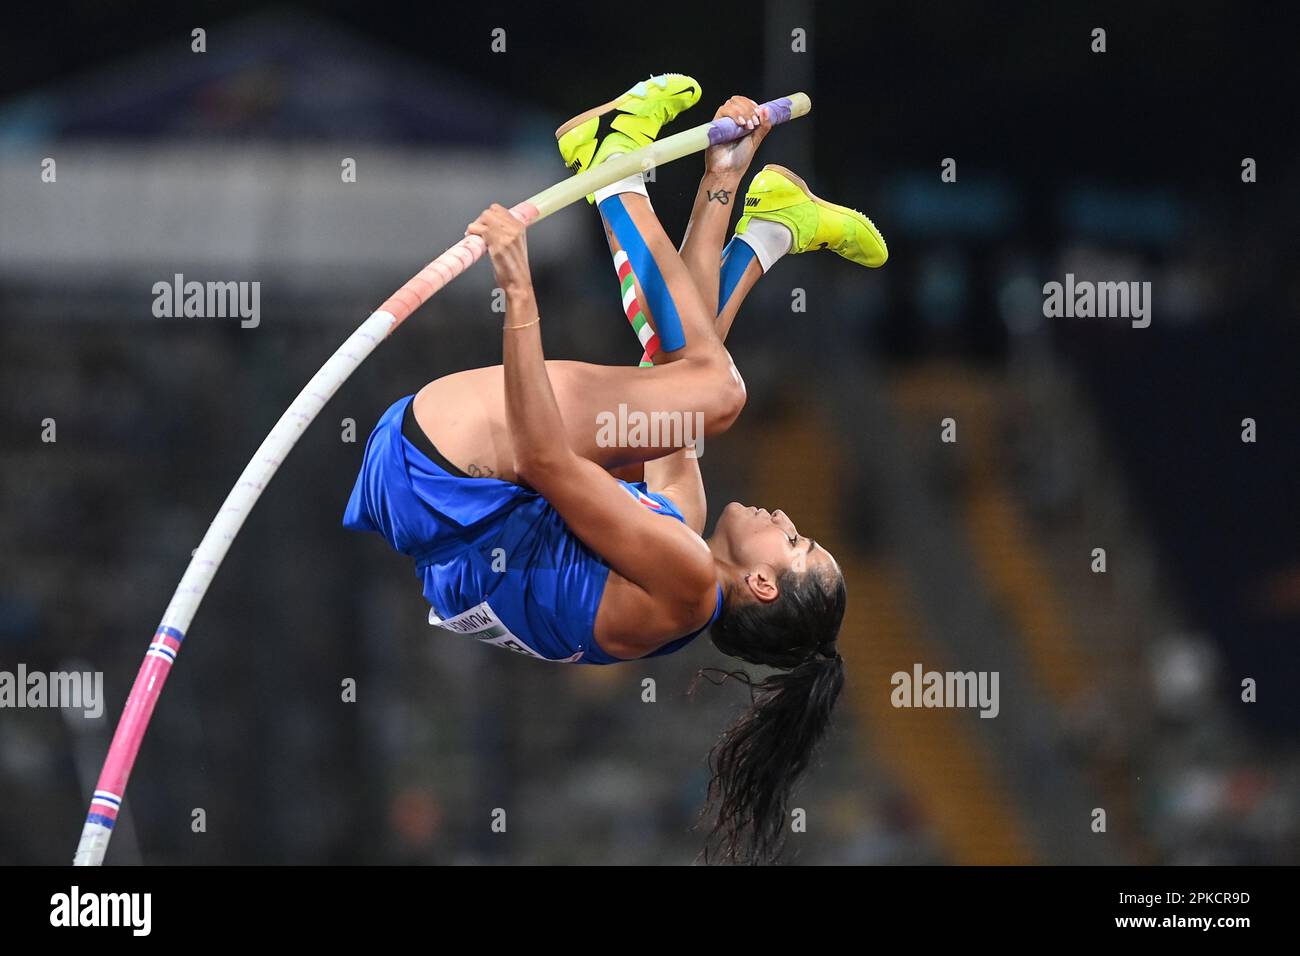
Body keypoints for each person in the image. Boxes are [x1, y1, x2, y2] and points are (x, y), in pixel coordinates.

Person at [344, 75, 888, 863]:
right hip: (438, 489)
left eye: (797, 545)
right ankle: (772, 226)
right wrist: (719, 184)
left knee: (720, 394)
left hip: (443, 472)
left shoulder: (685, 580)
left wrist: (518, 292)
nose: (787, 523)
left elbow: (541, 456)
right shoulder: (682, 561)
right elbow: (672, 364)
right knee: (689, 391)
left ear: (764, 584)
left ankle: (611, 163)